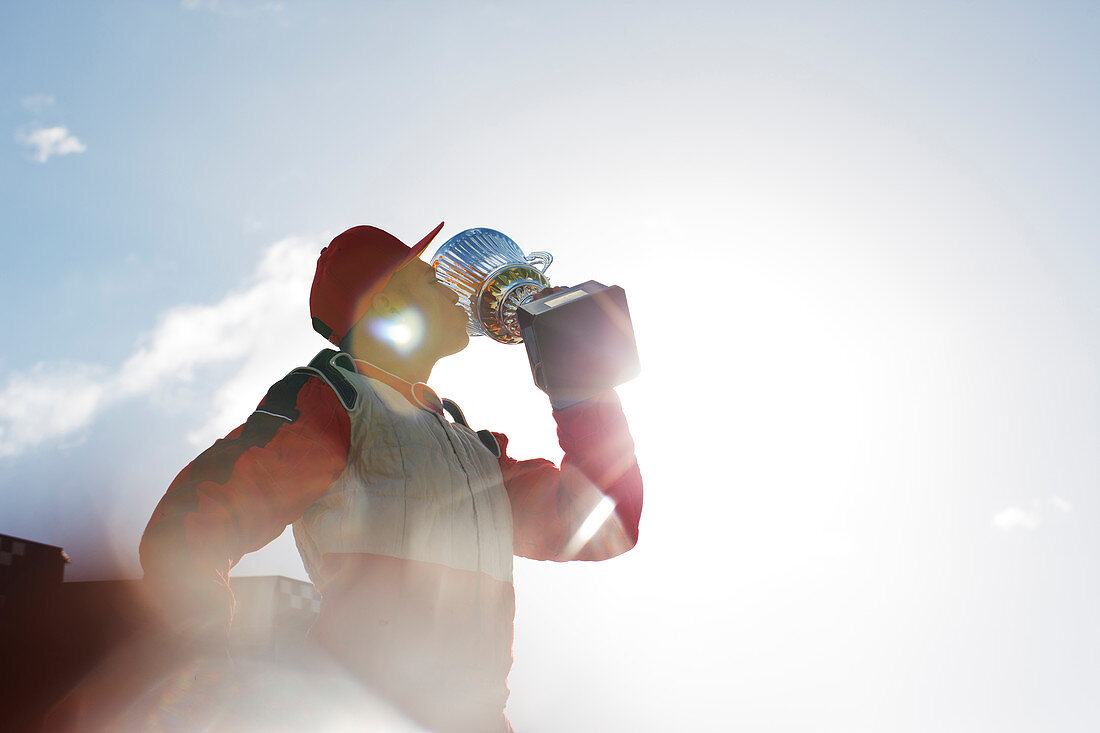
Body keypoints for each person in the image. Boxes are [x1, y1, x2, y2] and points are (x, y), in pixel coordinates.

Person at [138, 223, 644, 732]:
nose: (453, 287)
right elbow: (192, 526)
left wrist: (582, 389)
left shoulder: (477, 450)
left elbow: (604, 526)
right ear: (384, 306)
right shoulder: (337, 401)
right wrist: (205, 680)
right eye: (429, 280)